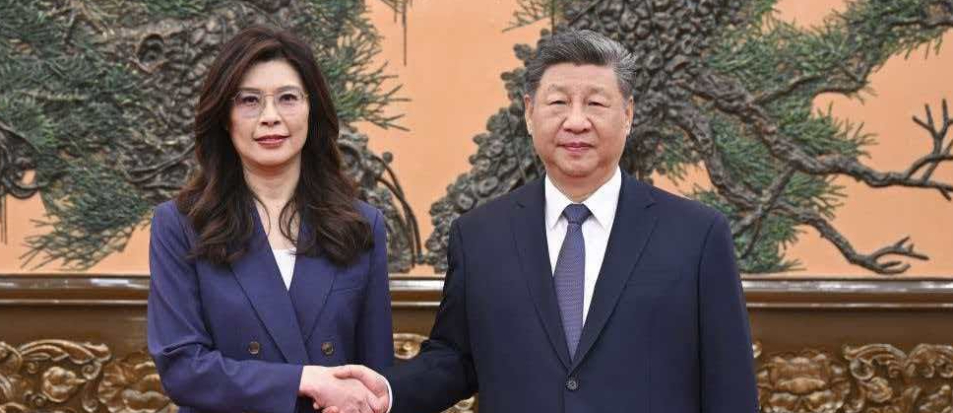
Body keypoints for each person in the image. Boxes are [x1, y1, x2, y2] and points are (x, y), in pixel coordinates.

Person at [334, 29, 758, 412]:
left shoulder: (697, 235)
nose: (576, 121)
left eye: (596, 103)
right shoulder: (480, 235)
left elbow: (730, 386)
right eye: (558, 103)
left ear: (628, 115)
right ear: (529, 112)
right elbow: (455, 359)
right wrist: (386, 392)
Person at [147, 25, 393, 413]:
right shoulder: (180, 224)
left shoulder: (361, 225)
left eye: (288, 98)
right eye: (249, 100)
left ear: (312, 110)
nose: (270, 117)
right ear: (224, 117)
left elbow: (374, 375)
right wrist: (304, 380)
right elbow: (182, 369)